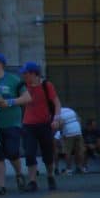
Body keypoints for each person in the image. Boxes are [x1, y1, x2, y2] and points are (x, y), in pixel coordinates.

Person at [0, 54, 29, 195]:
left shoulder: (14, 80)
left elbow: (27, 98)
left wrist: (9, 102)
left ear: (0, 64)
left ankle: (19, 173)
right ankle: (0, 186)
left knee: (12, 151)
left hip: (11, 123)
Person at [19, 61, 61, 191]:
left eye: (26, 74)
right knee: (29, 153)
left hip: (44, 124)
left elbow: (57, 103)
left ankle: (50, 175)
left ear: (34, 74)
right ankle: (32, 181)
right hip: (28, 125)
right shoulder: (23, 86)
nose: (24, 76)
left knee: (47, 154)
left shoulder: (46, 85)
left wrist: (56, 119)